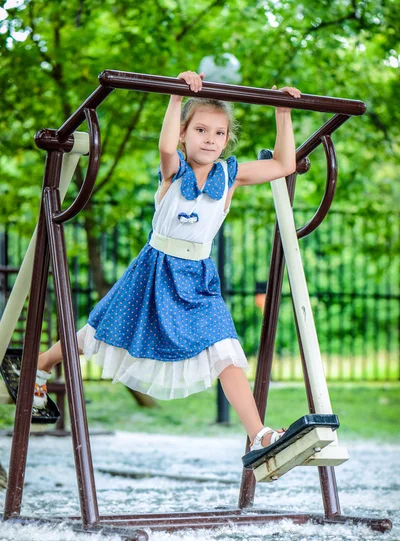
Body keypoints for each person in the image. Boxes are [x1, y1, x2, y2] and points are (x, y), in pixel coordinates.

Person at [34, 70, 301, 453]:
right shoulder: (173, 170)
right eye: (201, 130)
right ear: (183, 134)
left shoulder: (230, 175)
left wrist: (282, 111)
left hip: (198, 278)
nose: (210, 139)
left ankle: (259, 433)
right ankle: (40, 365)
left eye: (219, 133)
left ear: (227, 140)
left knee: (225, 347)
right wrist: (175, 97)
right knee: (102, 331)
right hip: (155, 268)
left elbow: (282, 165)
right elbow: (163, 147)